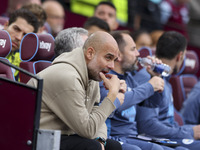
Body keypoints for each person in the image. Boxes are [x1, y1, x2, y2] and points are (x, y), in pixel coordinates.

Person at [27, 31, 127, 150]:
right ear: (90, 53)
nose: (111, 66)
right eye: (108, 58)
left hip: (62, 135)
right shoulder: (67, 77)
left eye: (114, 60)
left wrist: (100, 139)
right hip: (35, 138)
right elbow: (87, 130)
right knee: (91, 147)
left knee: (112, 147)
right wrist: (112, 96)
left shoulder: (92, 74)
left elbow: (95, 114)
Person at [100, 31, 186, 150]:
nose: (138, 53)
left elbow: (152, 104)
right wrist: (149, 86)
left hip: (133, 137)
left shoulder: (129, 77)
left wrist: (155, 77)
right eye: (133, 49)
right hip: (114, 137)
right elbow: (115, 104)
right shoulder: (106, 77)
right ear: (118, 55)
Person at [136, 31, 200, 150]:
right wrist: (189, 132)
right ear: (180, 56)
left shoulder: (166, 80)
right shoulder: (150, 78)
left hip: (170, 137)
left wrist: (189, 130)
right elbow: (147, 126)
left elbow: (171, 123)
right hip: (155, 140)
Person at [5, 8, 39, 81]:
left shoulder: (24, 62)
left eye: (25, 35)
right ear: (6, 25)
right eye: (16, 29)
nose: (19, 38)